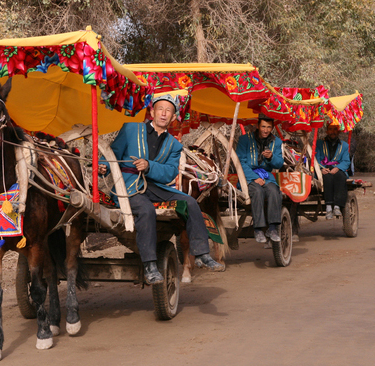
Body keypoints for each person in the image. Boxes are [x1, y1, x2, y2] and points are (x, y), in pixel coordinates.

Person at [99, 94, 224, 285]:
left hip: (154, 186)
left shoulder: (174, 145)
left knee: (190, 202)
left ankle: (201, 254)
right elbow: (112, 153)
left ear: (173, 118)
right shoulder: (131, 128)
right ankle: (150, 266)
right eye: (160, 109)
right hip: (128, 186)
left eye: (169, 111)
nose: (164, 114)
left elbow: (169, 173)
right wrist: (103, 166)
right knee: (146, 209)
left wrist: (149, 166)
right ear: (152, 112)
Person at [236, 114, 284, 245]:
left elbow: (279, 163)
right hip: (248, 177)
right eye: (263, 126)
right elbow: (240, 162)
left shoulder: (277, 142)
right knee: (257, 191)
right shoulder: (244, 140)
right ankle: (258, 229)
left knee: (274, 191)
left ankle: (273, 228)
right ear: (257, 126)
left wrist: (271, 157)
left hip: (267, 177)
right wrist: (254, 177)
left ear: (272, 127)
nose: (266, 130)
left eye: (269, 127)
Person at [315, 123, 350, 219]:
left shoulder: (344, 145)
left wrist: (338, 168)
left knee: (340, 176)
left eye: (335, 129)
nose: (333, 131)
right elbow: (316, 159)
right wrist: (321, 168)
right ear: (327, 131)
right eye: (330, 129)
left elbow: (346, 161)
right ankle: (329, 207)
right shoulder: (319, 143)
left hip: (338, 168)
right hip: (324, 168)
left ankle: (337, 206)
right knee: (327, 177)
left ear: (338, 131)